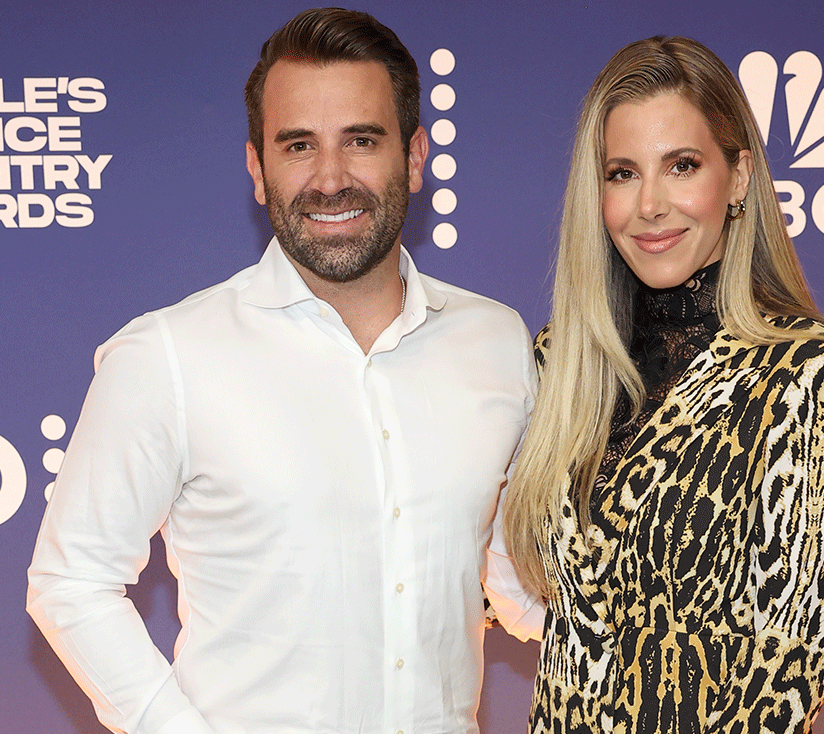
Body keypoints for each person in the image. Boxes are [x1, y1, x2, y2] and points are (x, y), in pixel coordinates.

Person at [27, 8, 542, 734]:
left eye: (361, 141)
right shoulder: (167, 356)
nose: (330, 179)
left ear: (416, 156)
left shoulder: (494, 341)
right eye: (298, 145)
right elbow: (70, 580)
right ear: (258, 169)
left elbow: (512, 572)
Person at [502, 36, 824, 734]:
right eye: (621, 173)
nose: (649, 204)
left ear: (737, 179)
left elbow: (786, 671)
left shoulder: (812, 373)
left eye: (681, 166)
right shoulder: (558, 365)